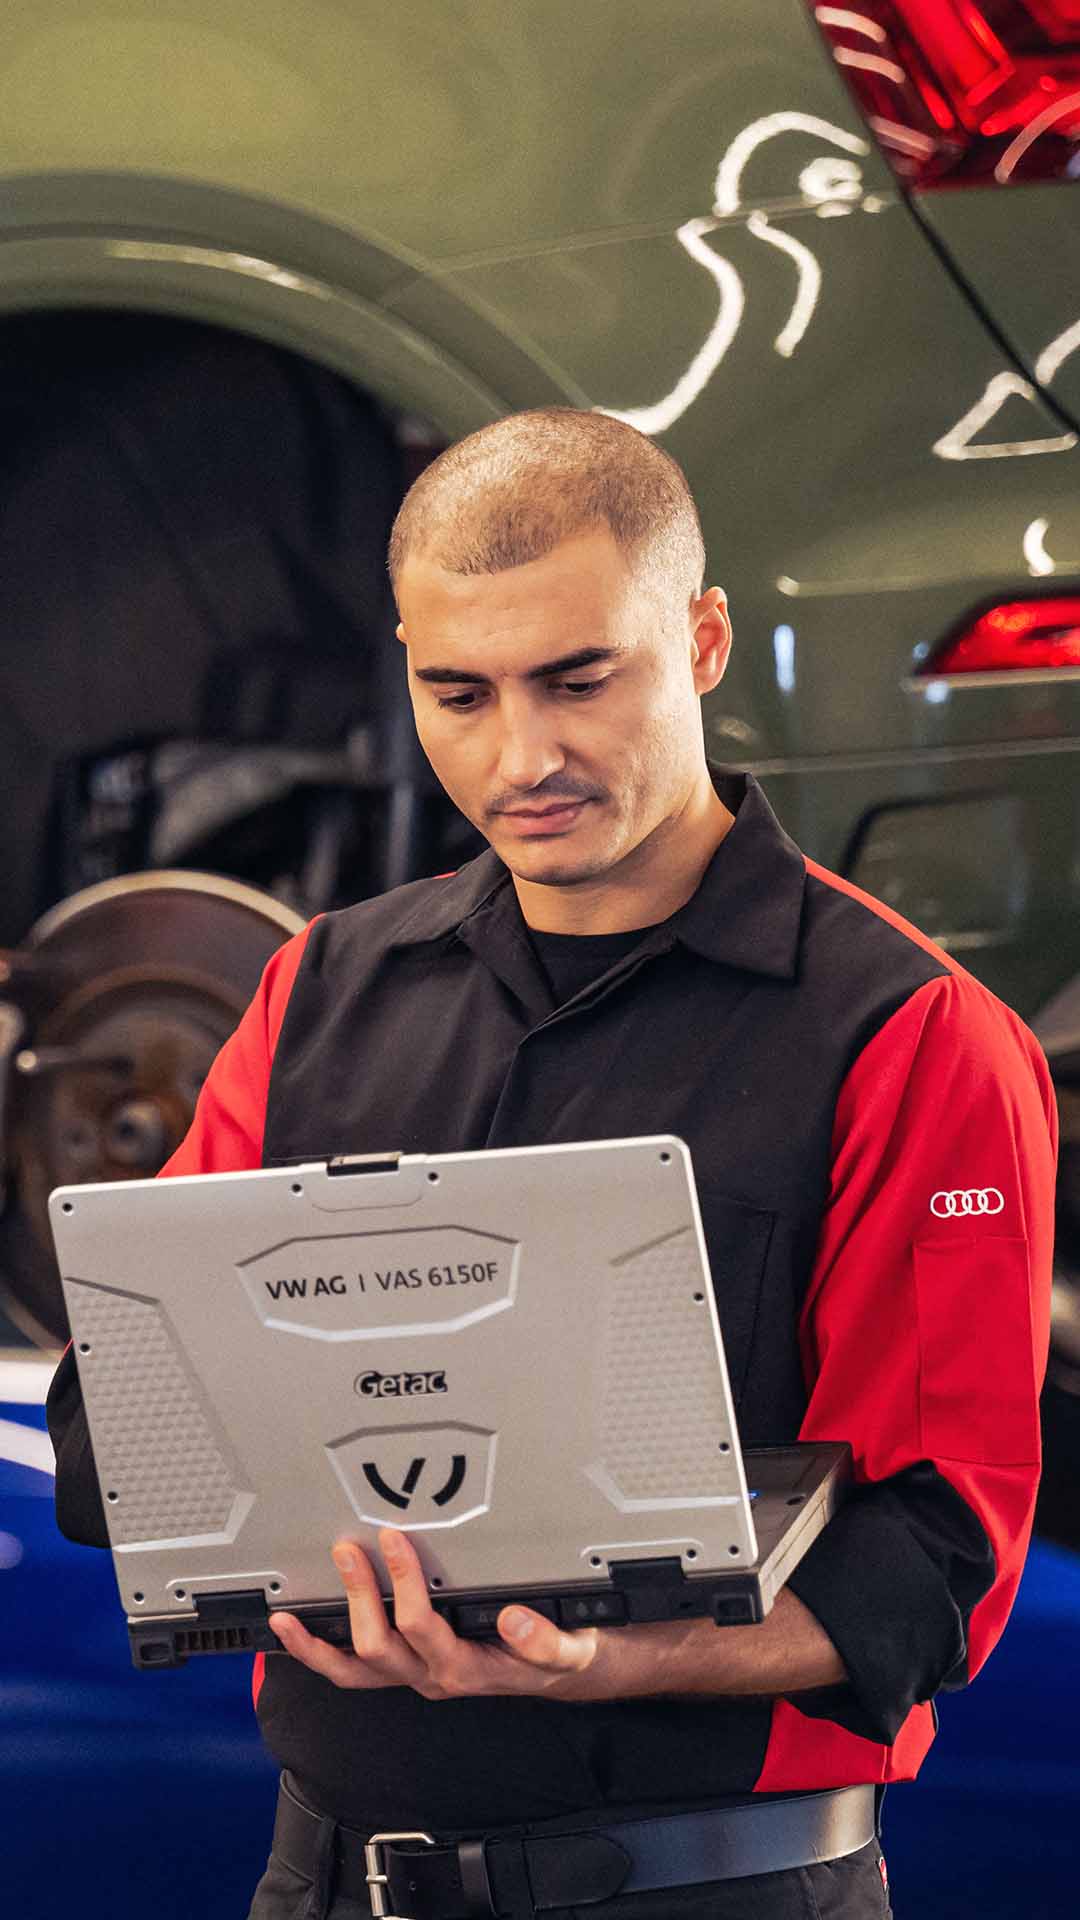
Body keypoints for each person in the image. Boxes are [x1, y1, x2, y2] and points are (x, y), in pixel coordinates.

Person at [48, 408, 1056, 1920]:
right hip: (326, 1877)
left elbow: (934, 1562)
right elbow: (111, 1431)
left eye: (581, 682)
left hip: (715, 1888)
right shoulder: (314, 996)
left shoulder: (913, 1038)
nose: (524, 757)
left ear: (703, 640)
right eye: (458, 693)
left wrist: (604, 1663)